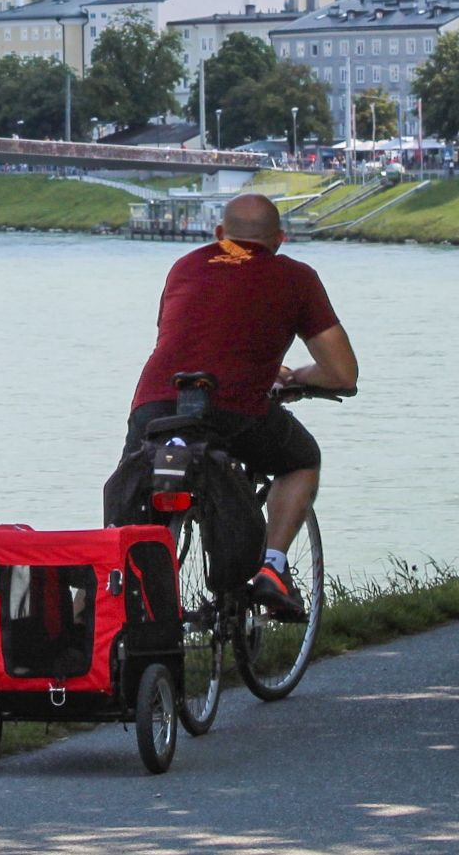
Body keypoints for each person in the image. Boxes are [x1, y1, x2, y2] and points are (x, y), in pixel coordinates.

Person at [125, 192, 358, 620]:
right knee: (302, 459)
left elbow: (187, 339)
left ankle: (112, 605)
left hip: (155, 404)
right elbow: (343, 373)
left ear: (219, 234)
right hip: (231, 409)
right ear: (281, 239)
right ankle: (271, 568)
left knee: (134, 508)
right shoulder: (295, 277)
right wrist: (296, 378)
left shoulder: (186, 266)